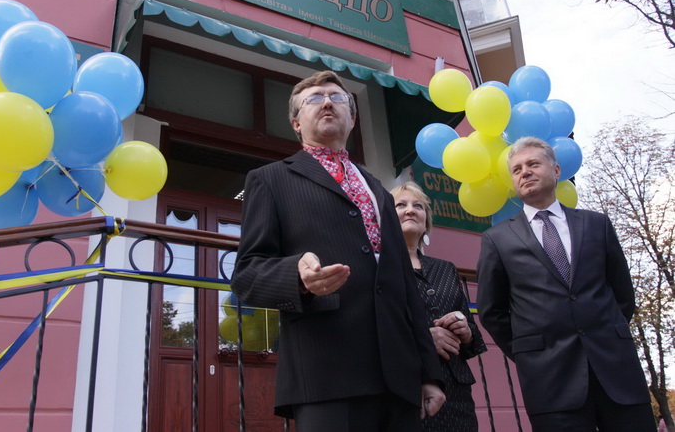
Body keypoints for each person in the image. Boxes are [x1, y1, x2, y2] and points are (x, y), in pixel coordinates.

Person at [231, 70, 446, 432]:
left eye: (338, 98)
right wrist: (297, 276)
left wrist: (429, 373)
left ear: (353, 118)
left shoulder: (380, 191)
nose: (328, 102)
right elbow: (246, 275)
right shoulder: (270, 180)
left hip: (399, 379)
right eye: (314, 99)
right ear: (296, 123)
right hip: (326, 375)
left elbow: (406, 287)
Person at [477, 136, 655, 431]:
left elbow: (622, 294)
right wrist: (531, 351)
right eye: (517, 169)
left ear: (556, 170)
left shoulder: (597, 224)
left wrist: (604, 332)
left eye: (533, 164)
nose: (525, 172)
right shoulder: (497, 239)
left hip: (617, 370)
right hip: (549, 381)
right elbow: (491, 311)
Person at [391, 181, 486, 432]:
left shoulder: (445, 269)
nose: (410, 210)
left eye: (418, 206)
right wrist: (423, 339)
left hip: (456, 390)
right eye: (401, 205)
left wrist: (466, 331)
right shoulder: (379, 267)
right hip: (409, 386)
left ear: (426, 221)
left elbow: (473, 339)